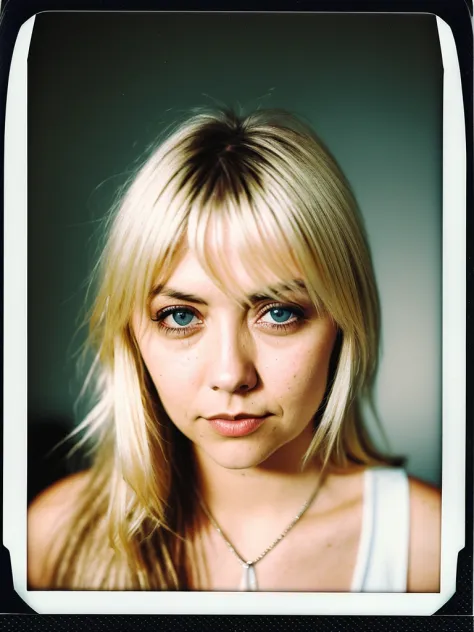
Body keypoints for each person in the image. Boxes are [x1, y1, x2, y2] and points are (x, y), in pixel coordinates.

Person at [27, 107, 441, 592]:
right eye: (181, 316)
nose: (231, 373)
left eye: (279, 313)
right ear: (132, 334)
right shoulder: (55, 538)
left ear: (345, 322)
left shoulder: (431, 551)